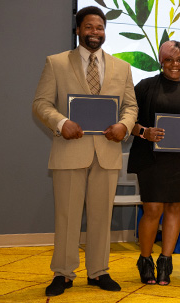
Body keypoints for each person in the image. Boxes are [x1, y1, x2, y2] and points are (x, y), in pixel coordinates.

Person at [32, 6, 138, 296]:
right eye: (89, 27)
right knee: (66, 216)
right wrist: (61, 122)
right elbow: (41, 104)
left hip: (107, 151)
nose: (95, 33)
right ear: (77, 30)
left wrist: (124, 126)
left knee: (102, 216)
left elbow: (131, 106)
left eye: (100, 27)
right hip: (69, 150)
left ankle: (98, 272)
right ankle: (63, 274)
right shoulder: (56, 63)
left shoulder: (121, 67)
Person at [127, 41, 180, 286]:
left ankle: (165, 262)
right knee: (152, 210)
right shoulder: (145, 86)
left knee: (173, 209)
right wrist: (144, 132)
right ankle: (145, 260)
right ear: (161, 61)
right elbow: (126, 120)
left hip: (179, 161)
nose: (175, 65)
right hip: (151, 159)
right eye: (170, 60)